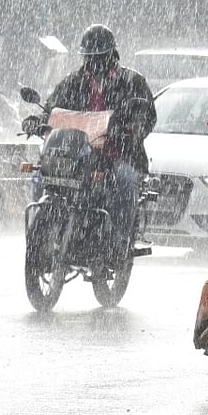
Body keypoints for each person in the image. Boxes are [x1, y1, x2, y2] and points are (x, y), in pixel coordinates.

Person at [45, 24, 156, 261]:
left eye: (99, 57)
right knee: (41, 176)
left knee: (126, 181)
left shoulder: (132, 81)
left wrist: (133, 129)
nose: (94, 63)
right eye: (89, 57)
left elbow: (148, 114)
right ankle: (46, 233)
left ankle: (119, 240)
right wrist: (37, 119)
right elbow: (52, 107)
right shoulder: (72, 82)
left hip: (118, 153)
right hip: (79, 154)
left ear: (111, 54)